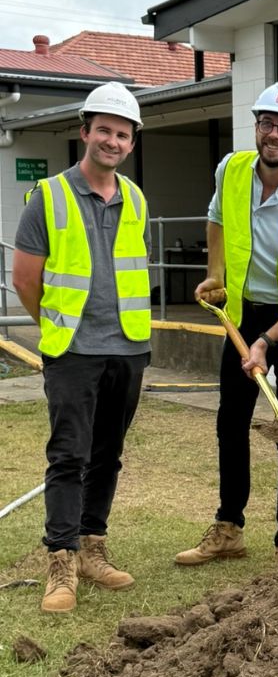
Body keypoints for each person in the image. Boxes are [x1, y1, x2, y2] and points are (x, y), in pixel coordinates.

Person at [175, 81, 278, 571]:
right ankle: (229, 528)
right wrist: (215, 274)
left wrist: (268, 342)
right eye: (266, 123)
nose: (273, 134)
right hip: (243, 315)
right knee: (231, 423)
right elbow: (216, 219)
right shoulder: (232, 170)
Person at [12, 83, 150, 613]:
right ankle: (62, 561)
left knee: (107, 455)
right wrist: (57, 328)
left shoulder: (136, 198)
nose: (112, 141)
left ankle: (94, 546)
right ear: (84, 132)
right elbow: (26, 280)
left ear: (131, 143)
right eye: (105, 130)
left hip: (129, 348)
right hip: (73, 350)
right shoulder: (48, 197)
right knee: (68, 456)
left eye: (122, 133)